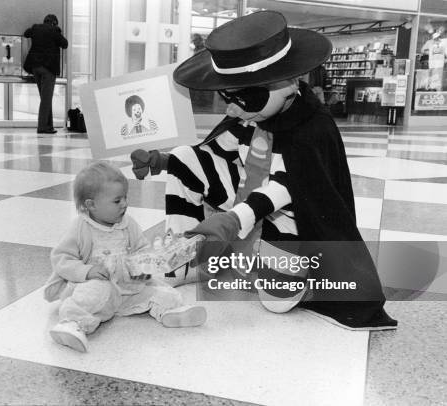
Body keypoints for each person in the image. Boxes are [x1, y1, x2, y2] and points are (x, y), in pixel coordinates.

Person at [130, 11, 397, 331]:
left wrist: (233, 219)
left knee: (276, 300)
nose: (231, 108)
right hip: (247, 194)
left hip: (288, 222)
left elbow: (285, 188)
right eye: (227, 96)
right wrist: (162, 161)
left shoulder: (309, 130)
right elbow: (216, 151)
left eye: (242, 97)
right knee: (187, 157)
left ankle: (290, 274)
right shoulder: (248, 115)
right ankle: (184, 258)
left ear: (287, 85)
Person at [43, 162, 207, 353]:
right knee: (93, 293)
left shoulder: (128, 224)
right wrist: (87, 271)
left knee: (161, 290)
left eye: (125, 198)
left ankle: (171, 311)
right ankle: (72, 323)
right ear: (91, 205)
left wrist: (145, 269)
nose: (125, 204)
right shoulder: (80, 228)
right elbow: (61, 258)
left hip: (128, 289)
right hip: (99, 288)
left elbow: (143, 249)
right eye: (117, 200)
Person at [24, 14, 68, 134]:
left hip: (35, 68)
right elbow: (65, 44)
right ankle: (42, 127)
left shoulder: (36, 28)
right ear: (54, 23)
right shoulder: (54, 31)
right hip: (48, 69)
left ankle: (49, 126)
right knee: (46, 99)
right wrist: (57, 31)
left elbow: (26, 33)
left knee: (45, 98)